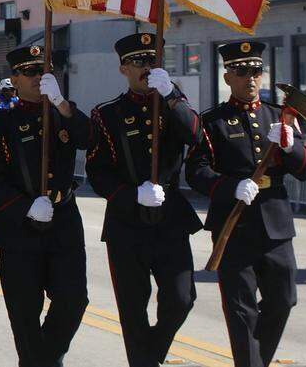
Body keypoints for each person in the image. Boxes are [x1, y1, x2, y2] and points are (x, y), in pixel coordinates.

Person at [0, 45, 91, 367]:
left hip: (63, 222)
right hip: (20, 228)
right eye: (29, 72)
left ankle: (45, 361)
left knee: (73, 301)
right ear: (14, 79)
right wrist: (23, 207)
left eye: (44, 70)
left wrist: (61, 103)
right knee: (24, 314)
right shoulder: (3, 123)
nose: (38, 77)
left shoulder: (64, 113)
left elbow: (88, 138)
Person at [186, 41, 306, 367]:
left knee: (284, 299)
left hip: (275, 222)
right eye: (242, 72)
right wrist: (230, 187)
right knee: (241, 309)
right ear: (228, 77)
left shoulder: (279, 116)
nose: (250, 78)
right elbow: (196, 171)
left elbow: (305, 170)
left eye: (256, 71)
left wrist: (289, 146)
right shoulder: (212, 121)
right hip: (234, 224)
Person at [85, 33, 204, 367]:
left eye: (152, 60)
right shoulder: (107, 114)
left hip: (170, 219)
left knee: (181, 299)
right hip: (127, 223)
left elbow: (195, 134)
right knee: (133, 307)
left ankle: (150, 355)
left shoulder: (172, 104)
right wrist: (130, 194)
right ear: (123, 69)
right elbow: (97, 171)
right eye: (138, 62)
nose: (147, 68)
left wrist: (172, 95)